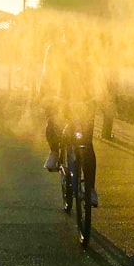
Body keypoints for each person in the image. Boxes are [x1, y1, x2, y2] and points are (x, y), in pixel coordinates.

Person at [39, 29, 100, 208]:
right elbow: (47, 76)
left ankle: (90, 189)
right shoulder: (54, 50)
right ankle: (55, 152)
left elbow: (98, 79)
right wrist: (46, 96)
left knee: (87, 144)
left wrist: (100, 98)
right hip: (61, 100)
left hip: (85, 102)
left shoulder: (89, 51)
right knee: (53, 121)